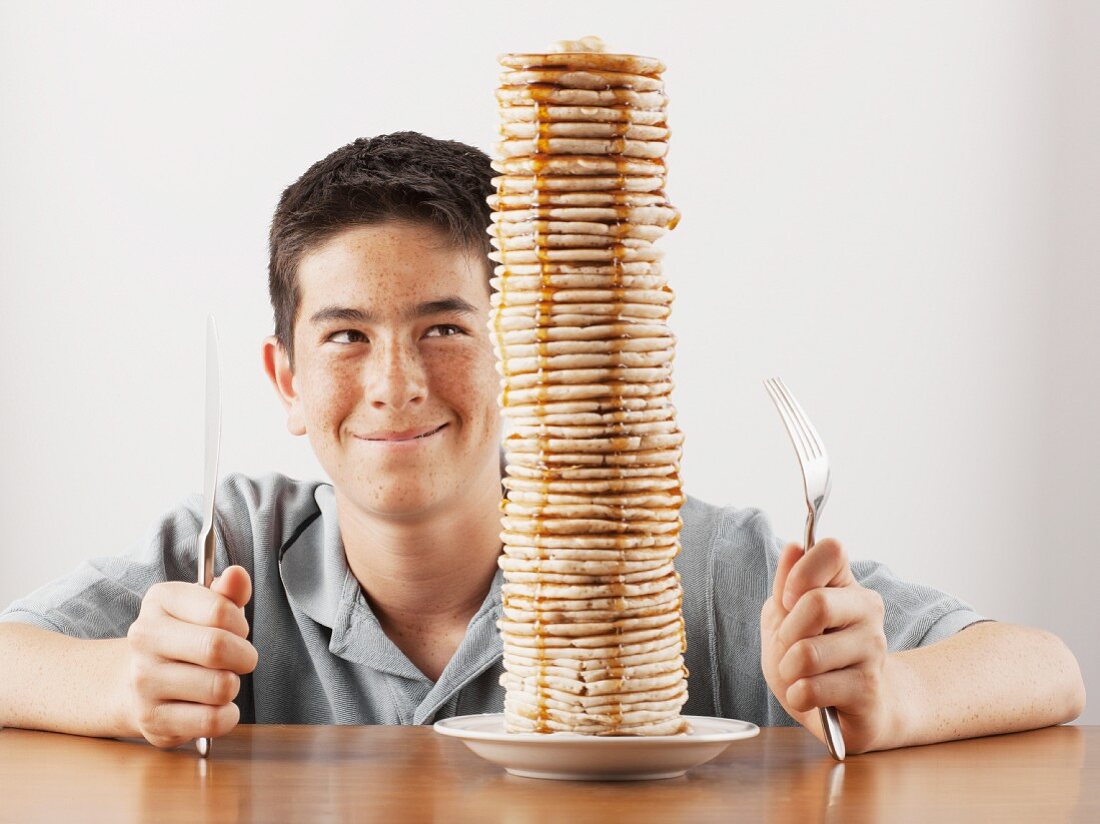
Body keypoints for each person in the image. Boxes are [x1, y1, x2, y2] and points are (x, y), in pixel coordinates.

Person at [0, 132, 1084, 754]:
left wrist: (891, 696)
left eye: (443, 327)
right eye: (344, 336)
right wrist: (113, 683)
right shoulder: (224, 550)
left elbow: (1045, 667)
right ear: (284, 379)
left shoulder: (677, 557)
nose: (396, 383)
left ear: (526, 351)